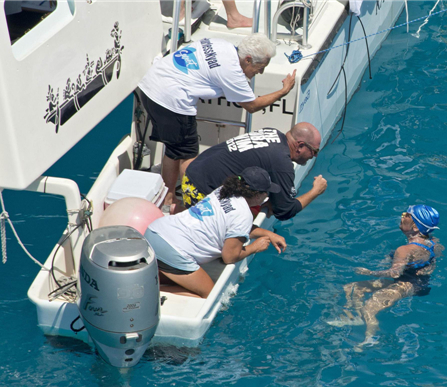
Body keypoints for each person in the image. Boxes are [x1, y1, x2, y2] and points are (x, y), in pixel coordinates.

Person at [137, 33, 296, 207]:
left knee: (174, 149)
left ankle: (169, 198)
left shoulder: (221, 45)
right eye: (260, 67)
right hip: (172, 100)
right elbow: (252, 105)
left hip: (151, 87)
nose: (261, 72)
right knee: (188, 157)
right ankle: (195, 205)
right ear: (248, 59)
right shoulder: (232, 72)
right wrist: (283, 91)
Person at [145, 167, 287, 299]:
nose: (267, 197)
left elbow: (233, 227)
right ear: (256, 195)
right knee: (211, 297)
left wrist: (269, 234)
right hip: (173, 249)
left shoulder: (224, 190)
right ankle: (148, 294)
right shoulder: (243, 214)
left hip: (154, 232)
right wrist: (255, 247)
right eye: (266, 193)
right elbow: (229, 257)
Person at [327, 205, 443, 349]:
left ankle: (371, 338)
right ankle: (355, 316)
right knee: (352, 287)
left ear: (415, 228)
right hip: (418, 282)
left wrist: (369, 272)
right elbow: (434, 257)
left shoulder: (403, 250)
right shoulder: (433, 241)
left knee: (370, 308)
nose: (402, 216)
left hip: (407, 284)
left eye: (406, 216)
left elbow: (394, 273)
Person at [183, 122, 327, 221]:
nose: (314, 156)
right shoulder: (282, 162)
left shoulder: (272, 132)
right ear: (300, 146)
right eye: (314, 151)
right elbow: (285, 211)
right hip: (199, 193)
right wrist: (315, 191)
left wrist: (276, 198)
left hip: (190, 174)